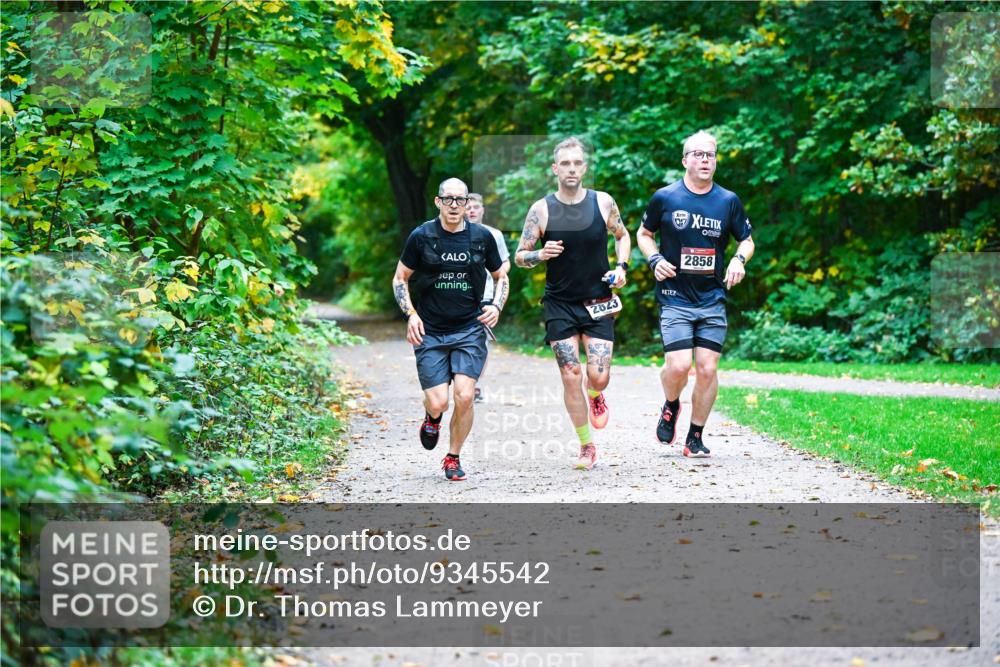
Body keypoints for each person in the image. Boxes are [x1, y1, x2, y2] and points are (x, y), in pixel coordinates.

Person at [514, 137, 631, 470]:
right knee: (570, 374)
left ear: (585, 167)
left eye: (577, 163)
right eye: (565, 163)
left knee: (598, 376)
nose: (571, 168)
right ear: (555, 168)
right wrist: (540, 254)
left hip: (598, 301)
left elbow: (622, 236)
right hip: (560, 304)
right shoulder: (541, 210)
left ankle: (596, 395)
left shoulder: (603, 202)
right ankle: (586, 446)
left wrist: (621, 268)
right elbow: (520, 256)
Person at [636, 130, 755, 458]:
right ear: (685, 160)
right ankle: (671, 404)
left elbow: (746, 239)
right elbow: (644, 234)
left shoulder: (727, 200)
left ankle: (695, 437)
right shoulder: (666, 197)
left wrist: (738, 259)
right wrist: (654, 258)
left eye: (711, 155)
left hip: (711, 297)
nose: (706, 160)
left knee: (707, 368)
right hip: (674, 295)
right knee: (678, 366)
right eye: (699, 155)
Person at [392, 178, 509, 481]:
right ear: (438, 202)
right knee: (439, 402)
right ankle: (432, 418)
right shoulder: (422, 237)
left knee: (465, 395)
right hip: (429, 330)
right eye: (449, 199)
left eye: (461, 199)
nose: (455, 205)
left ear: (468, 202)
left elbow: (501, 276)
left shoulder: (481, 237)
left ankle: (453, 457)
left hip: (469, 328)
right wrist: (411, 314)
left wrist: (496, 306)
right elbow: (400, 278)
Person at [465, 193, 511, 403]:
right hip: (459, 294)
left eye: (476, 207)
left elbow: (505, 264)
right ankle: (461, 380)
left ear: (483, 210)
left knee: (479, 341)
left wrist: (493, 271)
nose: (472, 210)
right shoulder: (453, 234)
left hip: (486, 295)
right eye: (469, 207)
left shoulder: (494, 234)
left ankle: (474, 383)